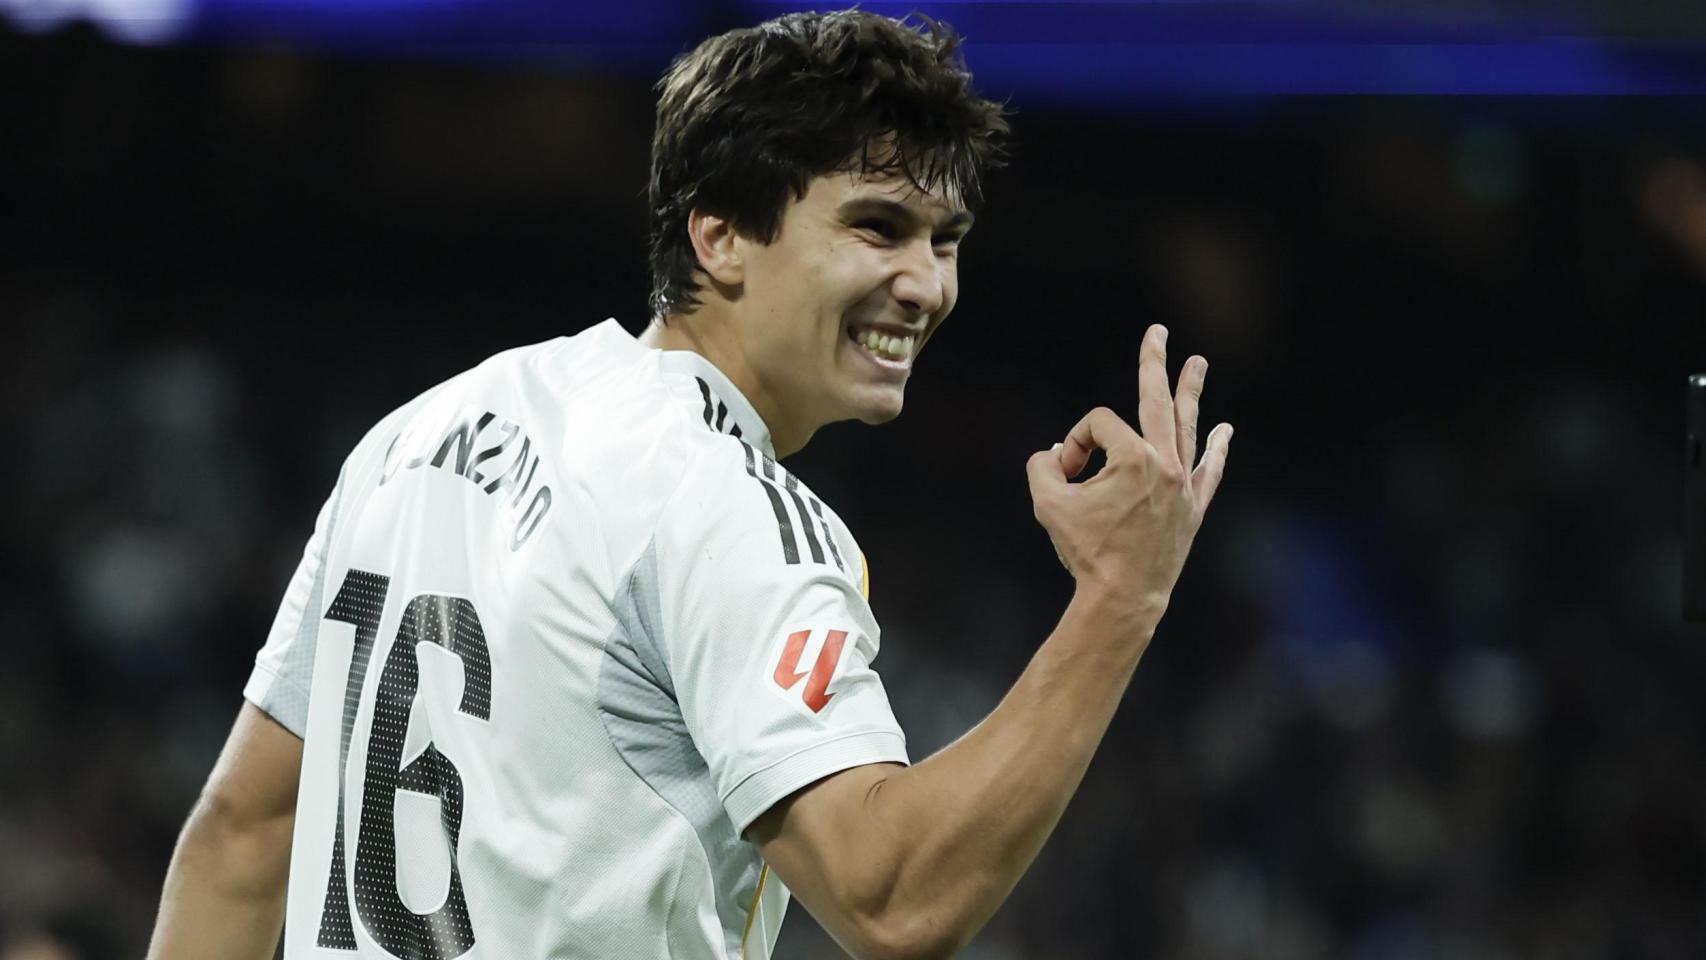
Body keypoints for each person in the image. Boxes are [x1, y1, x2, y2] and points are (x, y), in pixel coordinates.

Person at [146, 9, 1233, 959]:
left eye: (943, 240)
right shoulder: (725, 502)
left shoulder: (419, 431)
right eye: (875, 226)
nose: (925, 283)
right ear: (717, 234)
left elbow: (245, 834)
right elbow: (893, 898)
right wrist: (1116, 602)